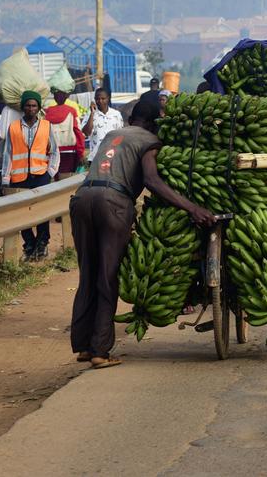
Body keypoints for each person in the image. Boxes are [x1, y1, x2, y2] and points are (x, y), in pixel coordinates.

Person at [69, 101, 215, 369]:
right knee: (107, 276)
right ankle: (100, 350)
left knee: (88, 273)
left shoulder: (114, 134)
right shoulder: (150, 140)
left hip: (82, 198)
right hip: (112, 202)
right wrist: (192, 208)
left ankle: (84, 346)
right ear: (153, 122)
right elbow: (151, 180)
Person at [1, 91, 60, 261]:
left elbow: (55, 151)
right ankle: (29, 244)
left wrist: (50, 171)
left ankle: (42, 244)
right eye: (28, 105)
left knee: (42, 212)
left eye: (34, 105)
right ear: (23, 107)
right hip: (18, 178)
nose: (31, 108)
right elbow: (8, 154)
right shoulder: (13, 127)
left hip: (41, 175)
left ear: (39, 108)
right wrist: (5, 179)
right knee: (22, 213)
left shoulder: (46, 126)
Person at [46, 87, 85, 176]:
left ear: (54, 97)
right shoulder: (71, 111)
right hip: (70, 153)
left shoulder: (48, 112)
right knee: (68, 180)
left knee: (56, 180)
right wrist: (81, 153)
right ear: (66, 96)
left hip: (53, 152)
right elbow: (78, 132)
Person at [83, 88, 124, 163]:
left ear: (108, 99)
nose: (100, 101)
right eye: (97, 99)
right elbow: (86, 133)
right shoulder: (90, 114)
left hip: (113, 157)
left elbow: (120, 135)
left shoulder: (116, 114)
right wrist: (92, 113)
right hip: (95, 158)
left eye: (103, 98)